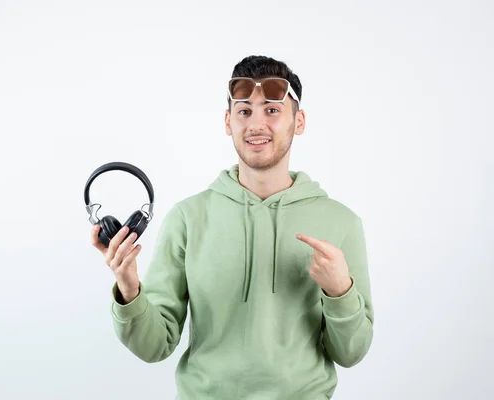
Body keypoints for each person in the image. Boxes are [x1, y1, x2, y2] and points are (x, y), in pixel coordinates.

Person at [90, 55, 374, 400]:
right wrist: (130, 290)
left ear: (298, 121)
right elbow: (155, 346)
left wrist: (340, 292)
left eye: (272, 110)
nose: (256, 124)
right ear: (228, 121)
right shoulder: (188, 218)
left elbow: (351, 352)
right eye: (244, 111)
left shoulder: (340, 222)